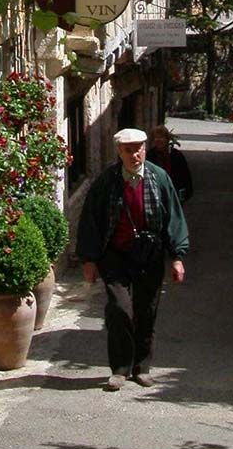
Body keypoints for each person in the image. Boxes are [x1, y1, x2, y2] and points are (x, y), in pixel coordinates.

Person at [75, 127, 189, 392]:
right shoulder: (107, 181)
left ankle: (142, 367)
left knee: (146, 310)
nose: (135, 154)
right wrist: (89, 261)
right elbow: (91, 220)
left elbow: (173, 217)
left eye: (139, 148)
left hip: (150, 254)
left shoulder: (158, 178)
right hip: (115, 254)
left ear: (145, 149)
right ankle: (120, 369)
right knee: (119, 309)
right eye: (128, 150)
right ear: (119, 152)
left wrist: (177, 256)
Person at [147, 124, 193, 203]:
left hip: (174, 192)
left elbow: (185, 174)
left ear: (167, 139)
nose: (159, 140)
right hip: (156, 192)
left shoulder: (176, 155)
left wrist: (187, 192)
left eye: (161, 137)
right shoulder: (149, 156)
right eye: (156, 137)